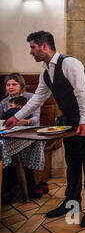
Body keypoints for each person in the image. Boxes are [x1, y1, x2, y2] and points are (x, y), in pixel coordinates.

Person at [5, 31, 85, 227]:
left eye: (32, 47)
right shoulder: (46, 70)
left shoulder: (70, 64)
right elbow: (38, 99)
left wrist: (84, 122)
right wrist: (16, 117)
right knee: (72, 162)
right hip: (68, 120)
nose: (31, 52)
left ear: (44, 46)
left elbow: (82, 94)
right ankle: (72, 203)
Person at [1, 73, 45, 201]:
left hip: (30, 132)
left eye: (14, 84)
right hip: (11, 133)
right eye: (8, 85)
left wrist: (24, 122)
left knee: (21, 152)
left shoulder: (30, 98)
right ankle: (9, 189)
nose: (11, 87)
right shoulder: (4, 102)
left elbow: (36, 117)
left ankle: (29, 186)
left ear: (21, 85)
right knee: (6, 151)